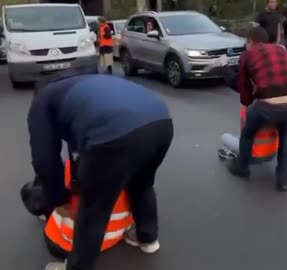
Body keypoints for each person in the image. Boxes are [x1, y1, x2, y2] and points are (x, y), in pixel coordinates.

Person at [28, 71, 174, 270]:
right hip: (161, 121)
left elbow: (44, 160)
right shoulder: (86, 84)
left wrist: (59, 200)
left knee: (94, 207)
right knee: (142, 183)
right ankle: (147, 239)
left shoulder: (42, 102)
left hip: (112, 134)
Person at [225, 27, 287, 191]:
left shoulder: (248, 55)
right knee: (285, 132)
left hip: (268, 106)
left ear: (250, 42)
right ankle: (283, 176)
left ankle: (242, 168)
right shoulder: (283, 51)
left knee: (247, 134)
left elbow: (245, 96)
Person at [20, 156, 134, 259]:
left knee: (51, 237)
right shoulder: (128, 169)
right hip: (118, 227)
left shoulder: (73, 172)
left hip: (75, 243)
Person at [215, 55, 279, 163]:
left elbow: (236, 81)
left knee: (225, 137)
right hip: (272, 154)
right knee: (242, 135)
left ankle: (239, 158)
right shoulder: (275, 102)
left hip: (254, 154)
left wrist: (224, 65)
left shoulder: (250, 109)